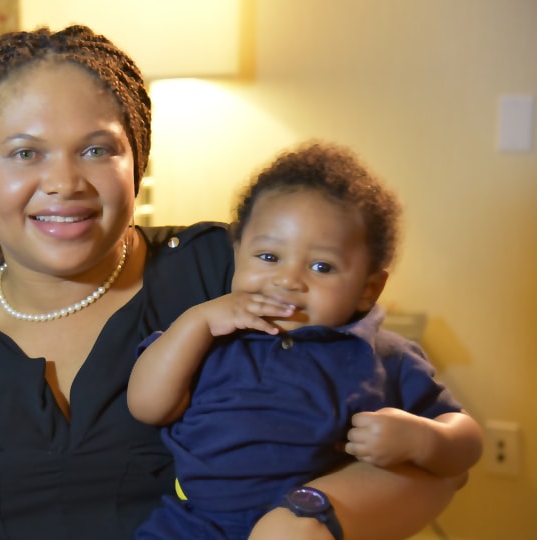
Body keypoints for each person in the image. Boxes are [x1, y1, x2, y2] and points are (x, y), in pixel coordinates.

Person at [0, 26, 465, 540]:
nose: (65, 182)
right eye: (25, 153)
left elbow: (432, 455)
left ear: (136, 163)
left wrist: (308, 515)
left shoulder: (238, 272)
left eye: (96, 150)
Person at [127, 142, 483, 539]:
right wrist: (196, 322)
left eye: (321, 266)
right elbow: (147, 406)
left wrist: (422, 440)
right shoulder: (213, 336)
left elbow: (466, 439)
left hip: (304, 524)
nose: (288, 280)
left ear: (370, 288)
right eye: (268, 257)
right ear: (238, 251)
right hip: (188, 524)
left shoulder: (382, 356)